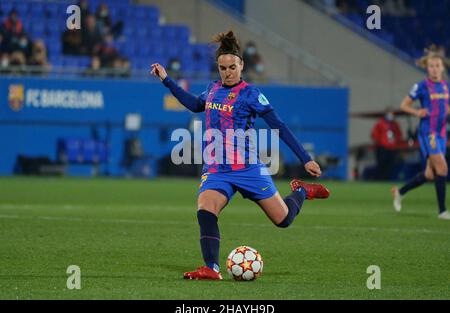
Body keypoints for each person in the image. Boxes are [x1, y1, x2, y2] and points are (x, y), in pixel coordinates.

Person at [150, 30, 330, 280]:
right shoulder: (212, 89)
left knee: (283, 220)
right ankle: (211, 268)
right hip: (217, 169)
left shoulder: (251, 94)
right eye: (222, 68)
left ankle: (302, 191)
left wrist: (305, 158)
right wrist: (167, 80)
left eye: (232, 67)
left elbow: (278, 126)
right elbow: (194, 105)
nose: (227, 72)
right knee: (205, 210)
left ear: (241, 65)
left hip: (247, 168)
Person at [392, 46, 450, 220]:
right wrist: (417, 112)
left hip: (441, 134)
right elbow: (404, 105)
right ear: (427, 67)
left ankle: (400, 193)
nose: (434, 68)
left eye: (437, 65)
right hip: (428, 133)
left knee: (430, 174)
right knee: (443, 168)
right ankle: (442, 211)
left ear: (442, 67)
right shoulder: (422, 86)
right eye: (431, 65)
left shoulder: (446, 86)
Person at [371, 107, 404, 180]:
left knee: (390, 165)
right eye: (389, 113)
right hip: (382, 147)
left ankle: (386, 178)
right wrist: (380, 142)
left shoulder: (395, 124)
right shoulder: (380, 123)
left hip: (392, 147)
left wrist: (397, 142)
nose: (391, 115)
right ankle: (379, 179)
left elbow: (399, 134)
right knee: (382, 164)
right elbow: (374, 134)